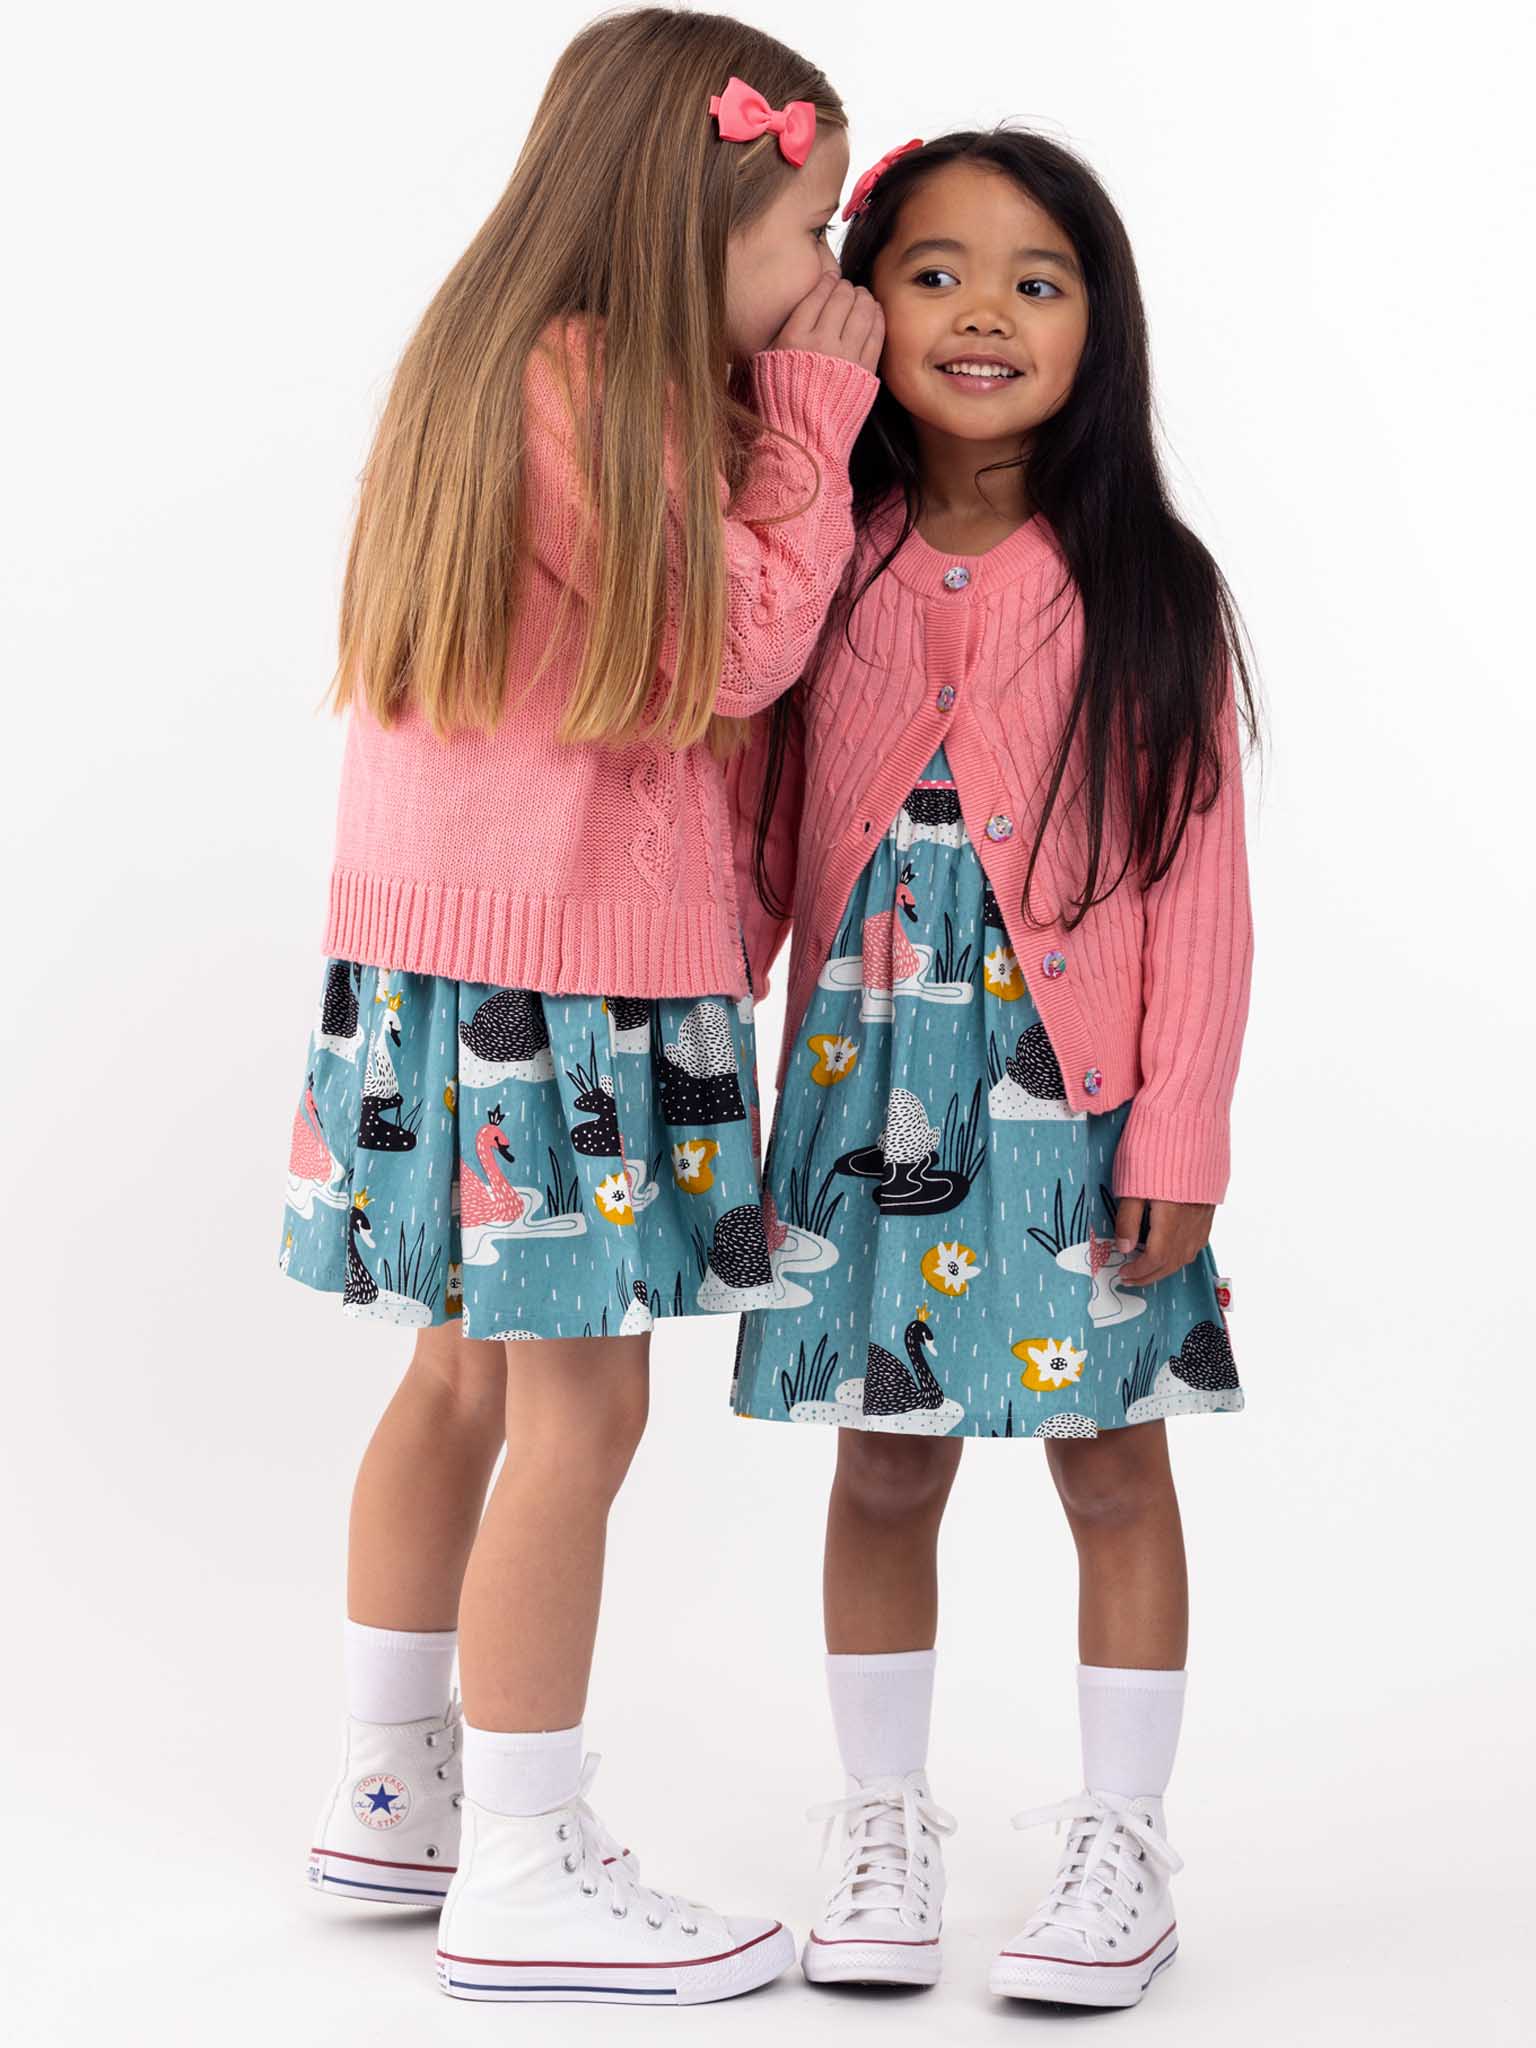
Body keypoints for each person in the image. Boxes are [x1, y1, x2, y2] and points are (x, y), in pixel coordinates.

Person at [281, 8, 882, 2006]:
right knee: (579, 1409)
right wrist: (810, 422)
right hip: (565, 977)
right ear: (689, 213)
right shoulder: (596, 386)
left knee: (457, 1376)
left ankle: (395, 1793)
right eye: (810, 227)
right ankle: (527, 1857)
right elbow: (744, 645)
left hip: (445, 964)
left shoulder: (497, 364)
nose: (833, 279)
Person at [733, 128, 1256, 2010]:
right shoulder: (813, 559)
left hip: (1078, 1094)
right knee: (884, 1468)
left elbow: (1201, 886)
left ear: (1097, 329)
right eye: (936, 270)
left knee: (1112, 1463)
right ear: (859, 303)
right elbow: (735, 814)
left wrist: (1177, 1121)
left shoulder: (1148, 591)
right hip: (863, 1087)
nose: (984, 313)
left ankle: (1124, 1841)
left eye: (1038, 280)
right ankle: (881, 1824)